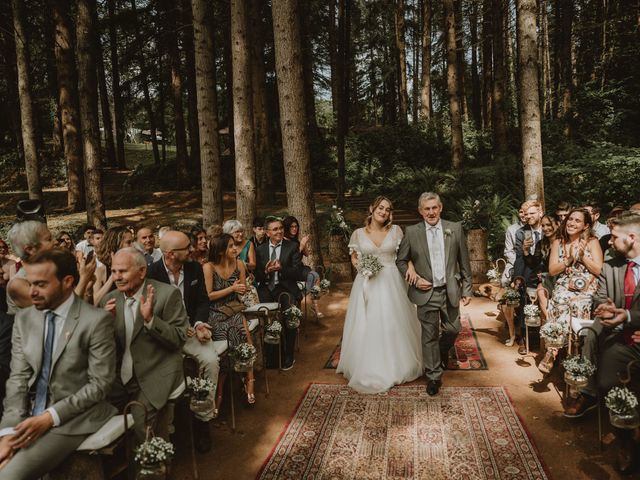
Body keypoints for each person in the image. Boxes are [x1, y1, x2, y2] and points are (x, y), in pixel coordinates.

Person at [0, 249, 116, 479]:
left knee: (8, 475)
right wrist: (8, 433)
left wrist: (49, 417)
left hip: (76, 417)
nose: (32, 292)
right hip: (30, 414)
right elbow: (18, 379)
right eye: (30, 283)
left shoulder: (95, 320)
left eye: (41, 284)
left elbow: (100, 384)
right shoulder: (25, 319)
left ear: (67, 282)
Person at [101, 248, 189, 441]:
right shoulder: (109, 300)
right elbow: (104, 349)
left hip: (156, 373)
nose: (117, 277)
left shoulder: (167, 295)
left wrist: (150, 320)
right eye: (114, 271)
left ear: (141, 272)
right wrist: (105, 326)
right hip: (119, 379)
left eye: (122, 271)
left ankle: (152, 468)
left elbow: (179, 339)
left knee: (141, 422)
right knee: (95, 415)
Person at [337, 196, 422, 393]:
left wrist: (411, 268)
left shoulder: (396, 230)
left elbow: (405, 255)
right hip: (367, 281)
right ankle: (367, 364)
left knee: (393, 320)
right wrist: (362, 268)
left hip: (392, 280)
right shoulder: (358, 233)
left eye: (387, 209)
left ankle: (398, 363)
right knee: (367, 322)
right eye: (380, 208)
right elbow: (354, 257)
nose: (383, 212)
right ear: (372, 208)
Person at [147, 231, 217, 452]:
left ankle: (202, 421)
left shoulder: (194, 268)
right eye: (187, 248)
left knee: (211, 361)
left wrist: (199, 324)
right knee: (168, 373)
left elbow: (203, 302)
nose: (192, 250)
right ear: (170, 254)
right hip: (164, 335)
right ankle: (168, 432)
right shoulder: (152, 274)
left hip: (191, 330)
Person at [396, 192, 473, 396]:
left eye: (434, 208)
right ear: (420, 211)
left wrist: (467, 287)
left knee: (453, 329)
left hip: (450, 290)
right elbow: (401, 260)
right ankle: (433, 376)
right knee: (429, 335)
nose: (431, 212)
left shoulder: (454, 228)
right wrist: (412, 275)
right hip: (426, 292)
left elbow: (464, 260)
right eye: (426, 209)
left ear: (440, 208)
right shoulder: (412, 232)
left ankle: (439, 353)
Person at [538, 208, 603, 373]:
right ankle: (554, 349)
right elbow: (552, 270)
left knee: (577, 303)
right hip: (564, 284)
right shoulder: (558, 242)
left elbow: (599, 270)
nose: (572, 223)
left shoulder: (592, 241)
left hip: (587, 285)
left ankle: (567, 354)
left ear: (585, 225)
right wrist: (569, 259)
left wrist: (582, 257)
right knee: (560, 300)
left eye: (577, 221)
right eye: (570, 219)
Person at [203, 234, 256, 411]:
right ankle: (221, 389)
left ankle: (249, 379)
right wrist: (232, 288)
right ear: (220, 251)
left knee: (240, 328)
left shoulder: (239, 264)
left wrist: (243, 287)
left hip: (234, 308)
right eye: (231, 246)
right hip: (216, 311)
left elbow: (240, 291)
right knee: (223, 335)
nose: (236, 249)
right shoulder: (208, 267)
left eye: (235, 246)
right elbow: (209, 295)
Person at [255, 218, 304, 370]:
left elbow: (298, 273)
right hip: (266, 289)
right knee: (263, 317)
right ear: (268, 232)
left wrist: (282, 268)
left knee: (289, 314)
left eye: (281, 228)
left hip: (285, 288)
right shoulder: (260, 250)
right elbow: (256, 275)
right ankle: (270, 356)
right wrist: (265, 271)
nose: (279, 231)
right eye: (275, 229)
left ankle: (288, 355)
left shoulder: (292, 247)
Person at [282, 215, 324, 318]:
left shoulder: (295, 240)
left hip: (300, 268)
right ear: (287, 227)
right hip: (291, 269)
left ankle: (315, 307)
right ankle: (304, 297)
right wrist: (300, 246)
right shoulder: (284, 241)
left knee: (315, 276)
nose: (294, 229)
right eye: (291, 227)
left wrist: (303, 244)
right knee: (313, 277)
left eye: (296, 226)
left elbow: (307, 254)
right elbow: (288, 260)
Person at [93, 226, 134, 305]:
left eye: (132, 242)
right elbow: (95, 302)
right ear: (117, 244)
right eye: (128, 242)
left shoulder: (134, 267)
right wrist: (113, 274)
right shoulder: (101, 271)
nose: (132, 246)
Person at [502, 204, 529, 286]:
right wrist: (518, 263)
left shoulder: (535, 227)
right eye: (521, 212)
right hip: (514, 260)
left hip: (531, 261)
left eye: (526, 212)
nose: (523, 214)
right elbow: (508, 251)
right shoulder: (511, 229)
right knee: (504, 281)